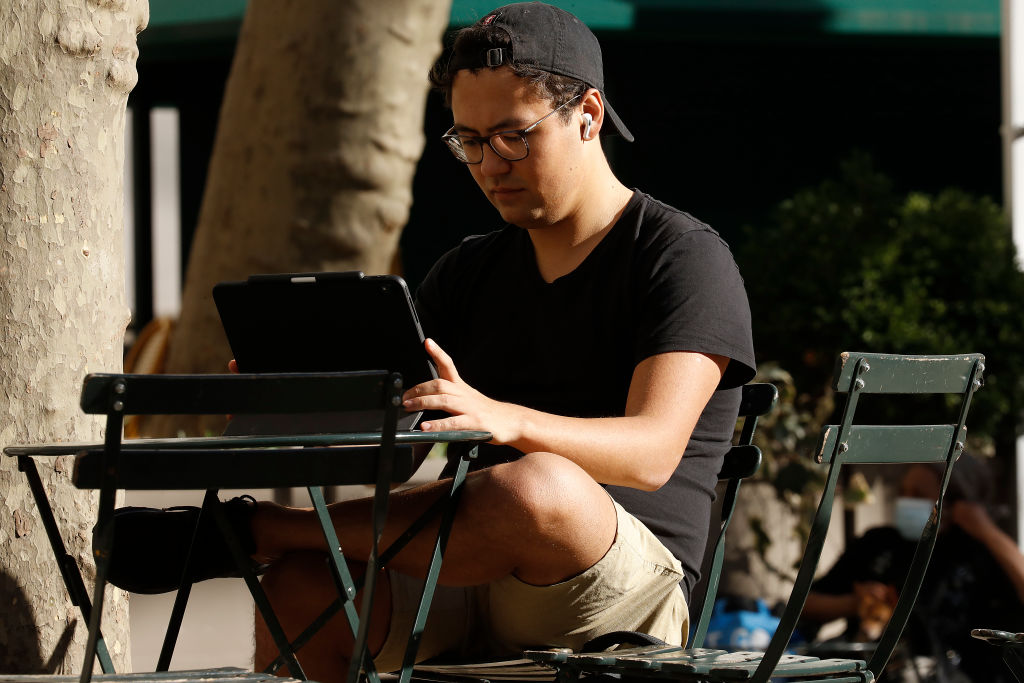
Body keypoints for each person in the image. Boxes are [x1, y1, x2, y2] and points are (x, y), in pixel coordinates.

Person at [109, 3, 755, 680]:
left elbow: (651, 452)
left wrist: (502, 417)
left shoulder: (680, 256)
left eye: (513, 136)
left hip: (610, 586)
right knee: (304, 585)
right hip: (469, 570)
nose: (488, 163)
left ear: (588, 114)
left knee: (537, 487)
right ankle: (264, 538)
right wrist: (316, 402)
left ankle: (257, 530)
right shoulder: (471, 270)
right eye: (469, 140)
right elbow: (406, 441)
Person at [801, 455, 1024, 682]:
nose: (906, 501)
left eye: (918, 495)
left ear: (955, 504)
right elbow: (805, 604)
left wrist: (985, 528)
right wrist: (855, 603)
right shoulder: (878, 543)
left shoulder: (978, 554)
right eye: (903, 492)